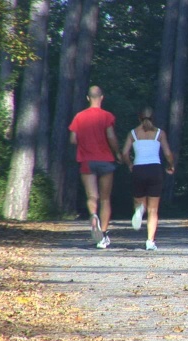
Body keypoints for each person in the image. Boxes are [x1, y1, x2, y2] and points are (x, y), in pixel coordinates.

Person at [69, 85, 122, 249]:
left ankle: (93, 216)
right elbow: (111, 136)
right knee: (105, 199)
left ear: (87, 98)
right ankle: (103, 235)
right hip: (105, 160)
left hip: (87, 160)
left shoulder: (79, 117)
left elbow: (73, 139)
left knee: (92, 197)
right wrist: (118, 153)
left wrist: (85, 144)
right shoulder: (107, 116)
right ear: (102, 97)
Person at [122, 106, 175, 251]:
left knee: (139, 201)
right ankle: (150, 241)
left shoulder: (133, 133)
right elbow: (168, 153)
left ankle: (139, 209)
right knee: (153, 210)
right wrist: (171, 165)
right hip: (155, 170)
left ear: (139, 117)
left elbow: (124, 153)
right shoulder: (159, 133)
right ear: (154, 118)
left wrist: (130, 164)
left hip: (139, 169)